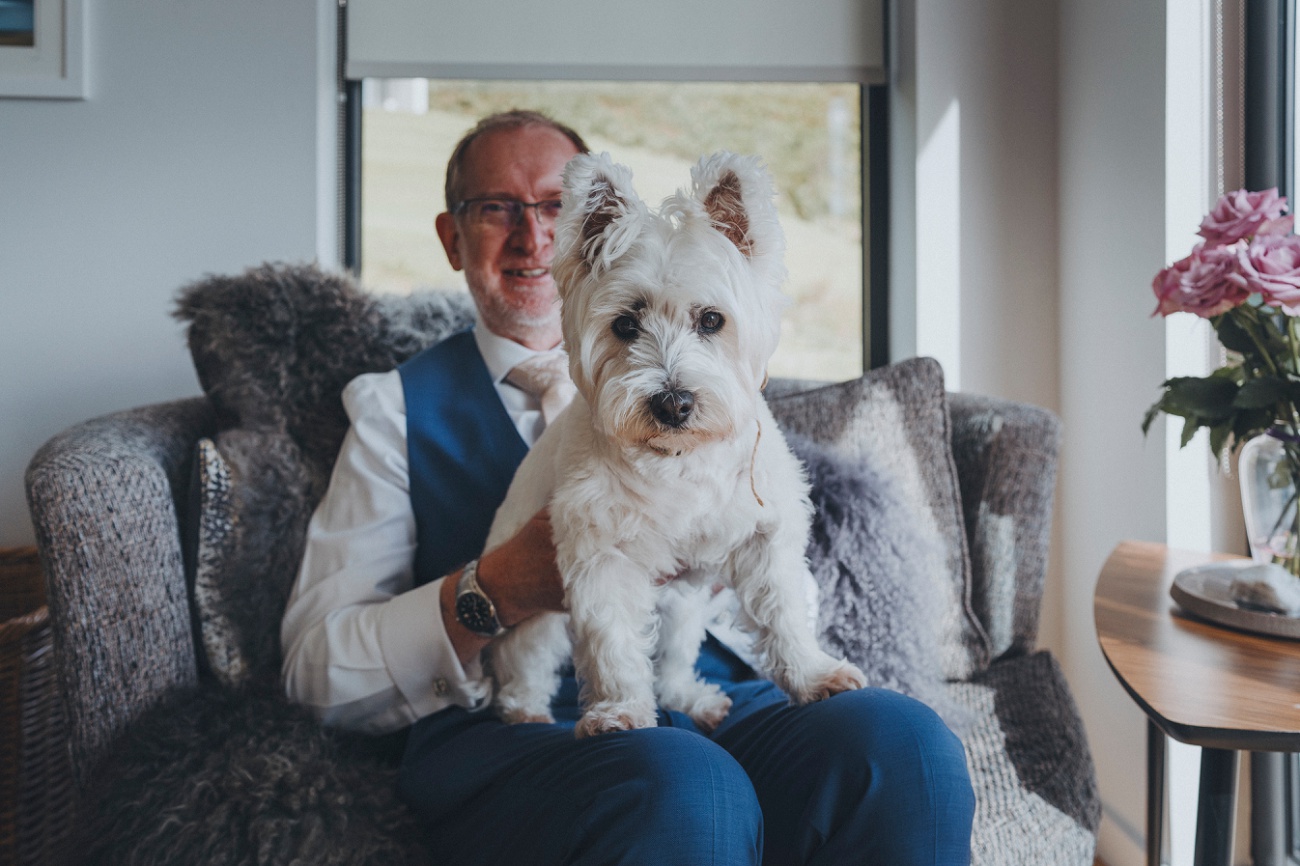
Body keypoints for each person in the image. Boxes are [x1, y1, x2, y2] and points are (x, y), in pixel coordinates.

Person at [281, 109, 975, 865]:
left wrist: (733, 591)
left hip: (714, 700)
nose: (534, 235)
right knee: (685, 786)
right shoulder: (393, 409)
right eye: (496, 209)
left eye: (553, 207)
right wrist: (494, 591)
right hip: (514, 731)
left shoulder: (726, 390)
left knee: (906, 747)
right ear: (453, 237)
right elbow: (315, 674)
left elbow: (775, 558)